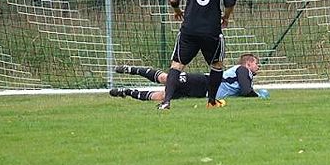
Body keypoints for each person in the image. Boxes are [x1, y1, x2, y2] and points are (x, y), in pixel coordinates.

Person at [159, 0, 236, 110]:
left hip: (189, 30)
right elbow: (230, 2)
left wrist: (178, 11)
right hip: (211, 31)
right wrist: (226, 17)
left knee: (177, 65)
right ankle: (212, 101)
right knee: (216, 65)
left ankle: (166, 102)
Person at [109, 54, 268, 103]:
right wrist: (258, 96)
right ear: (248, 63)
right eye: (256, 63)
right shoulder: (243, 70)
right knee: (167, 78)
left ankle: (127, 92)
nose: (258, 67)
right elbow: (246, 91)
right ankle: (131, 69)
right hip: (203, 83)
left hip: (202, 93)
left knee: (163, 96)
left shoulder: (245, 75)